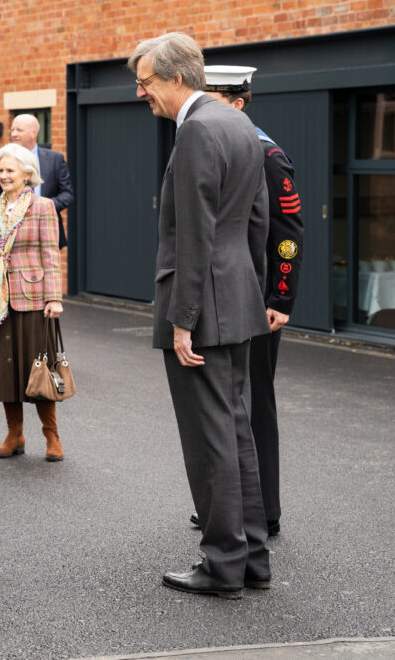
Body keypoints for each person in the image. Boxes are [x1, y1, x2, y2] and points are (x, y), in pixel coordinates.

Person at [129, 32, 271, 599]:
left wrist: (184, 317)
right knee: (237, 434)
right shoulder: (239, 124)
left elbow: (194, 233)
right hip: (235, 299)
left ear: (177, 77)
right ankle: (252, 560)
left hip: (202, 309)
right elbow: (254, 223)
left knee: (210, 441)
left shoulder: (195, 130)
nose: (142, 93)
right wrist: (251, 295)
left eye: (146, 82)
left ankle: (222, 567)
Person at [186, 66, 305, 538]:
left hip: (257, 299)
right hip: (228, 293)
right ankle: (232, 506)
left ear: (237, 102)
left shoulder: (265, 153)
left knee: (254, 406)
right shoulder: (223, 144)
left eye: (212, 100)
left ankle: (264, 510)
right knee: (229, 405)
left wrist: (281, 295)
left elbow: (288, 232)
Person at [0, 143, 65, 461]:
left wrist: (54, 297)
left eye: (10, 170)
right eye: (0, 170)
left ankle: (51, 436)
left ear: (27, 174)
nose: (3, 176)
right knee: (5, 371)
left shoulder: (43, 207)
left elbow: (50, 253)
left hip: (34, 298)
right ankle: (15, 433)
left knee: (38, 368)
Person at [0, 114, 74, 249]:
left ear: (34, 133)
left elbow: (67, 194)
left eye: (19, 130)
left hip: (47, 228)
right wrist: (13, 206)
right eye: (12, 130)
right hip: (9, 230)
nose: (14, 134)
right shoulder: (0, 158)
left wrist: (41, 208)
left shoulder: (55, 158)